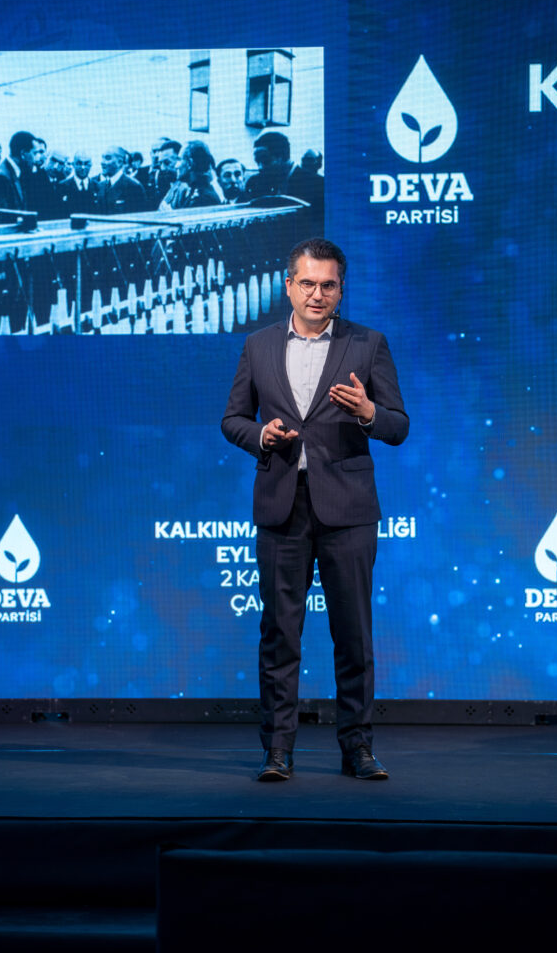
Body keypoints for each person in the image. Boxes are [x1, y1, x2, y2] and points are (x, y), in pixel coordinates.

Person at [222, 237, 409, 782]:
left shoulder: (368, 344)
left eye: (328, 285)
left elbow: (398, 426)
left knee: (353, 635)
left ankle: (358, 749)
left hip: (348, 510)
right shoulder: (257, 345)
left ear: (341, 290)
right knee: (280, 635)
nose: (317, 294)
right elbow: (233, 419)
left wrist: (370, 412)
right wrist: (261, 435)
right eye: (307, 283)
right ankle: (278, 751)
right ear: (289, 286)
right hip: (282, 507)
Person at [245, 131, 323, 225]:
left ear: (282, 157)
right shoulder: (256, 183)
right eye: (257, 162)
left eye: (265, 161)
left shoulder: (318, 185)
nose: (260, 167)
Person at [0, 130, 41, 224]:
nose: (36, 159)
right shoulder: (0, 178)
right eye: (34, 153)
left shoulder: (13, 173)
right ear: (23, 154)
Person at [159, 140, 221, 210]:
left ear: (190, 164)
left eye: (180, 160)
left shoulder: (203, 199)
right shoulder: (194, 192)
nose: (176, 166)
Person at [93, 146, 148, 214]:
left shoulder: (133, 186)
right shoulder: (101, 186)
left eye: (107, 158)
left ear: (119, 162)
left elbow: (140, 216)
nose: (102, 162)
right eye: (102, 158)